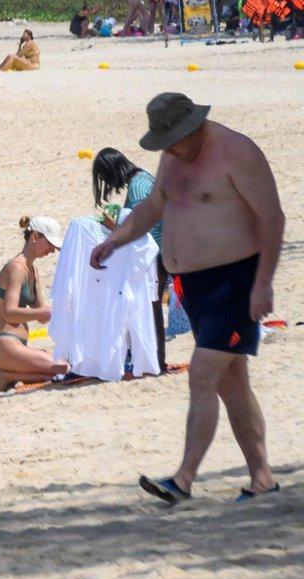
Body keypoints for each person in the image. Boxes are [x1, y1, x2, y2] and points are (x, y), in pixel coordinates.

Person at [90, 93, 284, 504]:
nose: (170, 148)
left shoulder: (237, 152)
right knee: (231, 385)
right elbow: (152, 207)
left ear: (194, 126)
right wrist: (114, 242)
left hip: (235, 283)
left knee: (201, 374)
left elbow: (272, 217)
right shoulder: (173, 156)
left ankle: (183, 480)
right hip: (194, 288)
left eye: (175, 138)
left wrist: (263, 284)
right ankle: (262, 476)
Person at [94, 147, 167, 359]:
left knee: (150, 308)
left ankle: (155, 360)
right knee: (152, 308)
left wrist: (114, 232)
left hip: (155, 256)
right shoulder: (143, 177)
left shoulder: (136, 188)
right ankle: (156, 359)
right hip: (162, 252)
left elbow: (141, 224)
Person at [0, 215, 68, 390]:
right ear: (35, 237)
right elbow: (9, 313)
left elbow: (41, 312)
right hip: (4, 344)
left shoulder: (32, 269)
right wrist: (43, 313)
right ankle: (6, 375)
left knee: (65, 369)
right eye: (49, 244)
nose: (52, 250)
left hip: (17, 344)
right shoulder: (16, 268)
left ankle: (8, 376)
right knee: (64, 368)